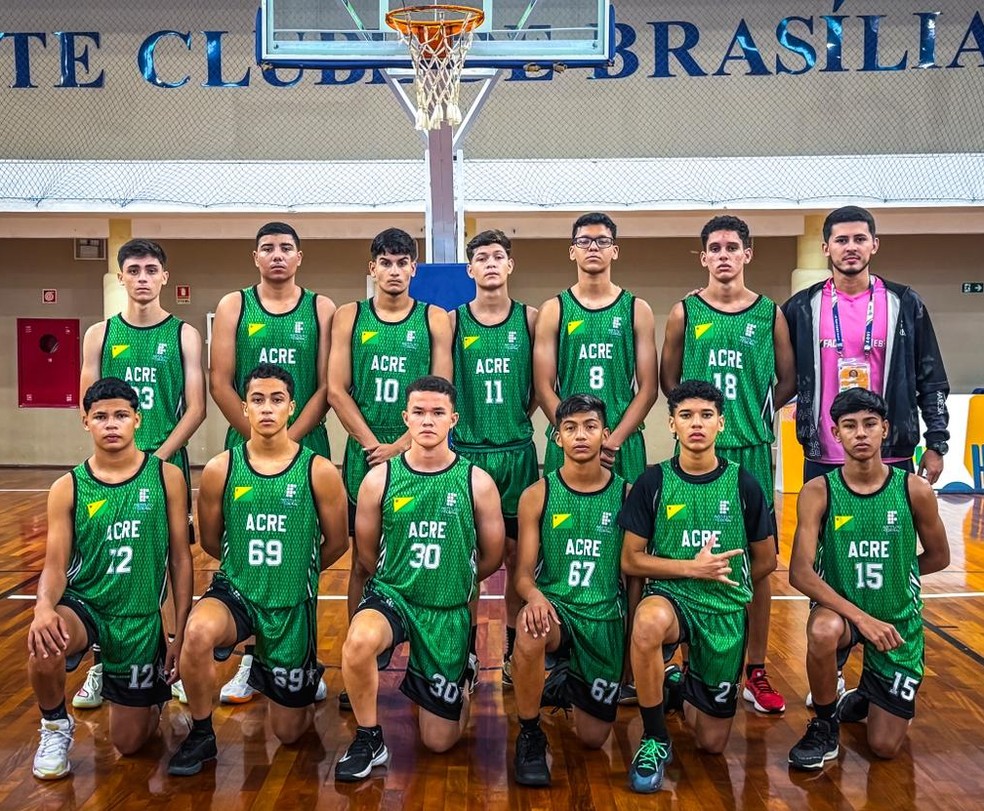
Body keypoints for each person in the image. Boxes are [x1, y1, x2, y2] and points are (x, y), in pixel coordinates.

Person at [167, 364, 348, 776]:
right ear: (245, 408)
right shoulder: (221, 469)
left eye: (277, 399)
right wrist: (245, 567)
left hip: (290, 604)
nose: (267, 408)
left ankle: (295, 670)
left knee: (289, 733)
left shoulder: (318, 470)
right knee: (197, 631)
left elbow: (337, 542)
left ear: (292, 407)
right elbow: (211, 540)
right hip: (237, 593)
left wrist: (297, 571)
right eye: (258, 400)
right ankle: (201, 733)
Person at [334, 376, 504, 783]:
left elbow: (492, 556)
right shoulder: (380, 479)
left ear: (453, 420)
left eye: (438, 413)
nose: (428, 420)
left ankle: (460, 675)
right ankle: (368, 738)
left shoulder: (477, 482)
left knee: (439, 741)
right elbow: (367, 556)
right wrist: (399, 580)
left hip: (445, 610)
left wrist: (452, 579)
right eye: (420, 412)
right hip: (394, 596)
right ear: (405, 417)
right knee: (358, 642)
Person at [659, 215, 796, 715]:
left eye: (731, 247)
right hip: (698, 456)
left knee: (758, 565)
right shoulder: (684, 312)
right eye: (714, 248)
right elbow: (670, 381)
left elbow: (787, 380)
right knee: (695, 555)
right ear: (703, 257)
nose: (723, 255)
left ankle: (755, 668)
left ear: (747, 254)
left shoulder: (770, 313)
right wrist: (698, 422)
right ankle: (694, 665)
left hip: (751, 449)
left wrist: (753, 414)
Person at [28, 377, 193, 780]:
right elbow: (55, 564)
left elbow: (180, 559)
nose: (111, 424)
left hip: (138, 617)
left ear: (138, 419)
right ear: (85, 421)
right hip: (86, 605)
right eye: (100, 417)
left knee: (129, 744)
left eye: (121, 415)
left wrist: (180, 633)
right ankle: (55, 726)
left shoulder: (166, 477)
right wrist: (43, 608)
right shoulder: (68, 487)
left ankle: (151, 695)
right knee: (44, 643)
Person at [619, 380, 777, 793]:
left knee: (710, 743)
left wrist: (728, 582)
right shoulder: (653, 481)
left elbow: (767, 560)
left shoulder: (744, 484)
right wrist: (692, 569)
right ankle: (655, 738)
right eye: (686, 416)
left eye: (706, 416)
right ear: (671, 424)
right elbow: (631, 559)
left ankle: (675, 683)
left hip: (723, 610)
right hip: (673, 598)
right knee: (647, 624)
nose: (696, 424)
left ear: (721, 423)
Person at [787, 388, 949, 770]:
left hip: (896, 620)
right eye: (849, 425)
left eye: (870, 424)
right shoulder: (818, 491)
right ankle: (824, 726)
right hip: (843, 615)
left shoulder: (914, 490)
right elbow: (799, 572)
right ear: (835, 433)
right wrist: (860, 618)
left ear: (885, 429)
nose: (860, 433)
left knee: (884, 747)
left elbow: (939, 557)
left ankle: (865, 694)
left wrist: (898, 573)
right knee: (822, 630)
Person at [76, 238, 205, 710]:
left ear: (165, 277)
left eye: (152, 270)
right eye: (134, 270)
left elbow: (196, 408)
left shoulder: (184, 334)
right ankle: (101, 665)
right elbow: (87, 405)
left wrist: (157, 461)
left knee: (171, 560)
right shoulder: (100, 334)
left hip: (166, 464)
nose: (143, 278)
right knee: (106, 562)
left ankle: (170, 661)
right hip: (110, 470)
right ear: (121, 277)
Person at [210, 222, 335, 702]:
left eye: (286, 248)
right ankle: (251, 659)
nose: (277, 255)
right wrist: (258, 438)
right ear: (255, 257)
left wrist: (286, 440)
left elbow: (326, 385)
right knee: (248, 550)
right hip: (247, 440)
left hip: (307, 442)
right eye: (268, 248)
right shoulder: (233, 306)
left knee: (301, 553)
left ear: (299, 257)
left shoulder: (320, 308)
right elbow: (220, 381)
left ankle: (302, 656)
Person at [327, 228, 452, 708]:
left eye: (403, 262)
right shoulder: (350, 316)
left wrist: (401, 444)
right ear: (372, 268)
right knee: (363, 558)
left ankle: (434, 655)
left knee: (426, 549)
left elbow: (441, 388)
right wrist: (372, 444)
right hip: (366, 451)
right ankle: (361, 662)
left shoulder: (433, 317)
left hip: (418, 450)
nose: (394, 270)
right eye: (386, 262)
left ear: (413, 268)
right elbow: (336, 389)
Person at [781, 205, 950, 484]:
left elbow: (932, 380)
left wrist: (936, 443)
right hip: (824, 455)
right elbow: (766, 359)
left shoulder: (905, 303)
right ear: (826, 248)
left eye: (859, 239)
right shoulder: (802, 307)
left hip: (890, 454)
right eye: (841, 240)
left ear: (874, 245)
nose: (851, 247)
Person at [510, 394, 629, 787]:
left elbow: (634, 577)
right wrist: (535, 597)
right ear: (557, 437)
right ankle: (530, 733)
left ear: (606, 435)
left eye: (590, 426)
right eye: (570, 427)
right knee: (529, 628)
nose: (580, 435)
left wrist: (631, 643)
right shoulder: (538, 494)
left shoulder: (627, 495)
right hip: (557, 609)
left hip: (604, 617)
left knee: (593, 739)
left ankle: (564, 677)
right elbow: (523, 575)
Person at [450, 229, 538, 685]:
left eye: (497, 256)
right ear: (470, 269)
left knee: (517, 559)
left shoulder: (530, 319)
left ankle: (509, 653)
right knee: (467, 558)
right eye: (481, 257)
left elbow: (541, 387)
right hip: (467, 453)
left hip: (516, 453)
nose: (490, 263)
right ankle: (465, 653)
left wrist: (516, 419)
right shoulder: (451, 322)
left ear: (510, 265)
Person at [533, 212, 658, 484]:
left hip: (621, 441)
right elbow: (542, 387)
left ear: (615, 251)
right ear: (572, 251)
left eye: (602, 241)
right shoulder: (554, 309)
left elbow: (648, 389)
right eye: (584, 241)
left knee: (628, 511)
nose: (592, 247)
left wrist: (612, 441)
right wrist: (572, 433)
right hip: (567, 442)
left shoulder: (637, 309)